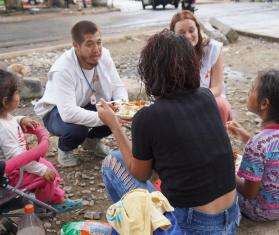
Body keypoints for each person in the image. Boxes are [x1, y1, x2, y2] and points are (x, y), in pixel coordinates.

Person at [99, 30, 240, 234]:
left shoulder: (147, 118)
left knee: (113, 161)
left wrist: (114, 126)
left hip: (193, 226)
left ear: (150, 71)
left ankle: (130, 225)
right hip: (231, 218)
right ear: (192, 65)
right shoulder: (206, 97)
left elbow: (140, 173)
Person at [34, 21, 128, 167]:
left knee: (115, 108)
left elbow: (118, 87)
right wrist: (108, 118)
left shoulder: (104, 55)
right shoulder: (63, 69)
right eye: (89, 44)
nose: (96, 49)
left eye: (99, 42)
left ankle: (91, 142)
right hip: (56, 111)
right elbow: (68, 113)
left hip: (84, 103)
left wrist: (122, 109)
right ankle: (65, 149)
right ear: (76, 46)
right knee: (77, 129)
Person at [0, 69, 82, 212]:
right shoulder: (3, 128)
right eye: (17, 92)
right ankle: (44, 203)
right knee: (47, 174)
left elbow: (11, 121)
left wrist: (21, 120)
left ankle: (57, 197)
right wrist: (41, 170)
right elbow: (16, 156)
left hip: (20, 165)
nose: (19, 95)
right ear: (5, 101)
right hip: (12, 174)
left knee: (47, 166)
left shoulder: (5, 116)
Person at [228, 70, 279, 221]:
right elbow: (270, 153)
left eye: (251, 89)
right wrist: (245, 136)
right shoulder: (265, 141)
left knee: (222, 177)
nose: (248, 92)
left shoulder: (258, 145)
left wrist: (228, 170)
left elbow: (249, 193)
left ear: (264, 104)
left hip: (261, 210)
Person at [170, 10, 231, 124]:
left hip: (208, 99)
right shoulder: (169, 55)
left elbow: (217, 88)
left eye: (191, 30)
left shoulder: (212, 49)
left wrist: (195, 100)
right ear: (173, 35)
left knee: (221, 105)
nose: (188, 36)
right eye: (181, 33)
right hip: (182, 102)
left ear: (198, 29)